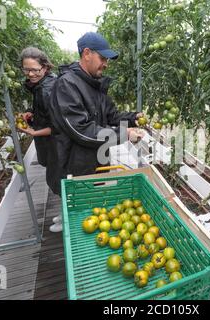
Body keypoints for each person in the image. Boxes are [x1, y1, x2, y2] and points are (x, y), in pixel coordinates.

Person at [47, 32, 144, 232]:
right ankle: (68, 223)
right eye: (103, 58)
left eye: (107, 59)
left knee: (89, 210)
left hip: (94, 161)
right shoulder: (67, 85)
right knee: (80, 219)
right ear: (87, 53)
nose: (106, 64)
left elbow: (111, 116)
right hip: (73, 164)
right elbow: (81, 130)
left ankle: (67, 218)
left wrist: (133, 117)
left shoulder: (94, 85)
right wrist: (125, 134)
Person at [17, 47, 63, 232]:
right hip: (51, 143)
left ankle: (68, 219)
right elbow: (45, 113)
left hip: (56, 143)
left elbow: (58, 125)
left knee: (58, 180)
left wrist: (34, 132)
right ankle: (64, 212)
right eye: (26, 70)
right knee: (56, 179)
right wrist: (32, 114)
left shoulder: (47, 90)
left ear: (44, 68)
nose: (30, 74)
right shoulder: (41, 85)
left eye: (35, 69)